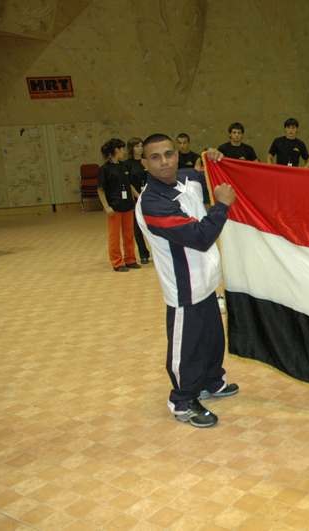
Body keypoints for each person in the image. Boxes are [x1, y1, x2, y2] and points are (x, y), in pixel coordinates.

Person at [136, 133, 239, 428]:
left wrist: (215, 159)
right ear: (144, 163)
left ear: (177, 154)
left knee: (212, 339)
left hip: (206, 281)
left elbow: (211, 175)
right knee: (187, 347)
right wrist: (221, 207)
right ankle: (182, 401)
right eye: (155, 157)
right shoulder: (152, 203)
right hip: (183, 289)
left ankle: (210, 381)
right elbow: (200, 237)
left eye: (169, 154)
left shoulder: (187, 178)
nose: (164, 162)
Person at [97, 138, 140, 272]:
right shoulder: (104, 169)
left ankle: (130, 259)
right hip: (114, 207)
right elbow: (100, 190)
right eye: (122, 149)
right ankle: (117, 262)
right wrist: (106, 207)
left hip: (128, 205)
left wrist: (138, 196)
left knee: (129, 235)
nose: (124, 151)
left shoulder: (124, 166)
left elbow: (129, 184)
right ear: (116, 150)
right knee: (114, 237)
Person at [125, 137, 150, 264]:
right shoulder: (127, 164)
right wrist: (138, 195)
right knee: (137, 227)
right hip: (136, 198)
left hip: (150, 196)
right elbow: (128, 183)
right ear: (131, 148)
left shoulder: (147, 161)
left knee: (153, 225)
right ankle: (143, 253)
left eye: (141, 146)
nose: (140, 148)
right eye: (137, 146)